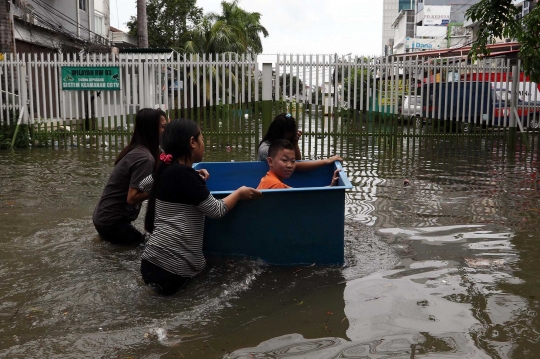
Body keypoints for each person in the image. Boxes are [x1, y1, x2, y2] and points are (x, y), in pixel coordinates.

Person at [141, 119, 262, 295]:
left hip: (151, 261)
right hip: (174, 267)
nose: (204, 144)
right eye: (202, 139)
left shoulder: (167, 171)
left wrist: (192, 177)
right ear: (192, 142)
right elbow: (216, 210)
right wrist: (239, 193)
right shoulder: (185, 176)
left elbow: (143, 185)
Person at [92, 108, 162, 246]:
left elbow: (167, 171)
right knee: (146, 249)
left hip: (102, 216)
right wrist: (158, 189)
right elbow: (132, 198)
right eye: (164, 127)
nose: (167, 130)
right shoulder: (145, 158)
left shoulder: (138, 149)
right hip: (112, 222)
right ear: (152, 129)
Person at [257, 113, 343, 171]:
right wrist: (327, 161)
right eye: (287, 136)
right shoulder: (266, 149)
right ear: (278, 133)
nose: (288, 139)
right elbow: (295, 166)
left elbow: (297, 161)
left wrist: (295, 143)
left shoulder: (281, 144)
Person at [257, 139, 340, 190]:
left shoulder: (269, 179)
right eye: (285, 160)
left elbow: (298, 192)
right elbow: (303, 198)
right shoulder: (276, 185)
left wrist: (330, 187)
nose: (290, 165)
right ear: (270, 162)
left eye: (293, 161)